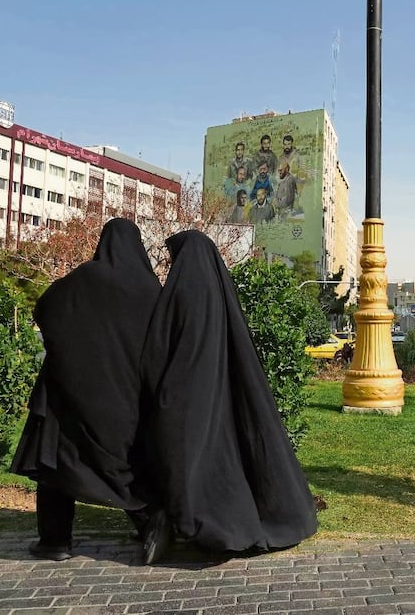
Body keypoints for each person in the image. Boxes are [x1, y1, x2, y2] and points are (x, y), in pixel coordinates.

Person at [136, 230, 318, 561]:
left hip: (187, 394)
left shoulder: (180, 291)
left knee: (183, 458)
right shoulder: (220, 291)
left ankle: (190, 523)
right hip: (224, 393)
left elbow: (158, 348)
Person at [11, 218, 161, 561]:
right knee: (124, 462)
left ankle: (55, 541)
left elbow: (45, 309)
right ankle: (148, 519)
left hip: (69, 390)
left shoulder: (83, 278)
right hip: (127, 397)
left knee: (55, 460)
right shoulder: (150, 289)